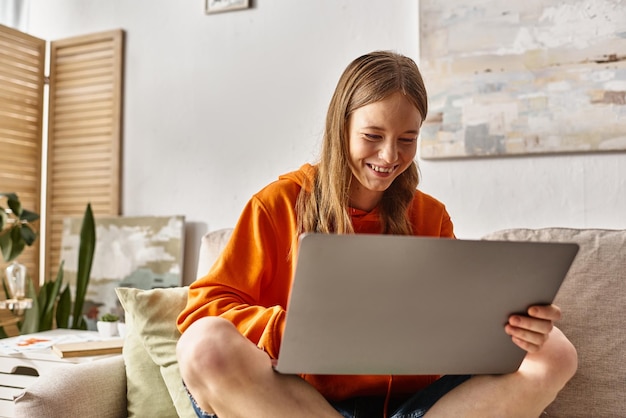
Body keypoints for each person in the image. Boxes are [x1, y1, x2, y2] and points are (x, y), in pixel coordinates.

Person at [176, 50, 578, 418]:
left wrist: (513, 328)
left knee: (555, 350)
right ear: (342, 126)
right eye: (372, 136)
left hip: (416, 407)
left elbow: (456, 324)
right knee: (202, 346)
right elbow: (205, 309)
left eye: (407, 140)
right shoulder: (278, 203)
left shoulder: (430, 216)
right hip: (300, 402)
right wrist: (292, 331)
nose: (390, 157)